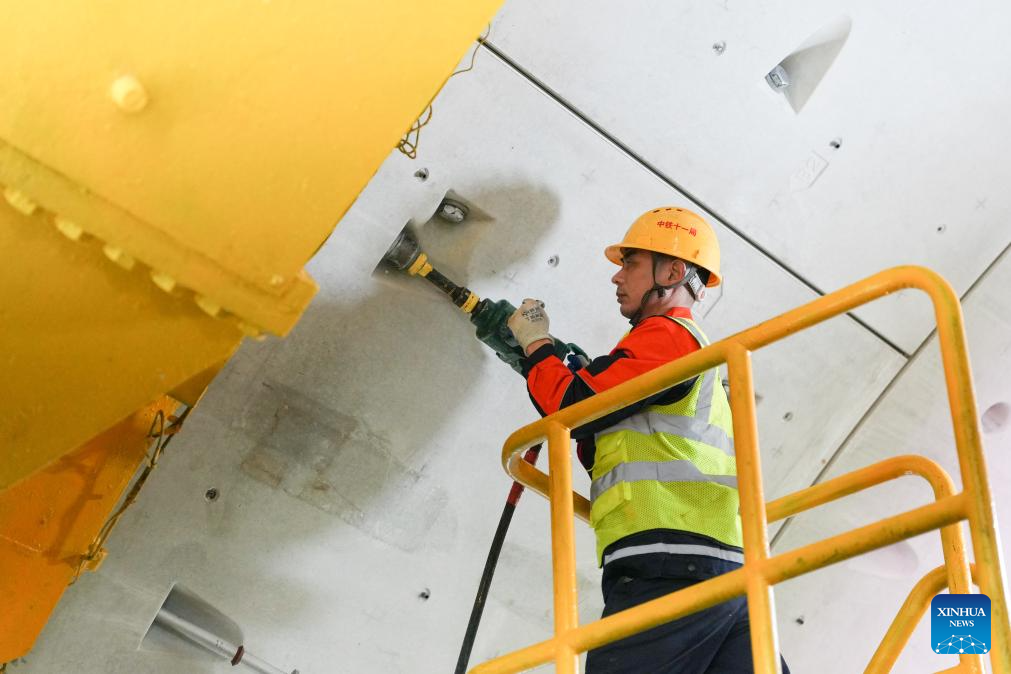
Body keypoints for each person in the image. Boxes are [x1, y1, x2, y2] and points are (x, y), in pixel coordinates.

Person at [507, 207, 790, 673]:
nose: (617, 277)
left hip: (669, 567)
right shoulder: (696, 360)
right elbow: (608, 435)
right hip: (727, 576)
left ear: (673, 271)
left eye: (631, 263)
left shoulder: (669, 336)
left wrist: (536, 345)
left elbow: (572, 407)